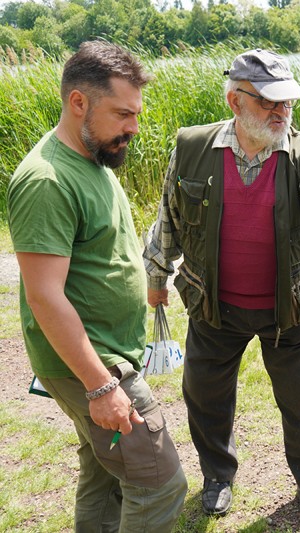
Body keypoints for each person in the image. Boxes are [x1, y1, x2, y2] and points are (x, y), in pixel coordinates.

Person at [142, 48, 300, 529]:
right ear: (235, 101)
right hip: (213, 304)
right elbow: (169, 217)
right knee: (204, 395)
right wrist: (157, 277)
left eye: (287, 102)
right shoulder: (191, 146)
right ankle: (217, 476)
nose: (281, 111)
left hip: (287, 309)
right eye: (269, 102)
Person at [7, 41, 187, 532]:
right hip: (97, 366)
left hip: (107, 356)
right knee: (160, 485)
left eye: (136, 114)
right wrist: (102, 386)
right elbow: (44, 295)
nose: (134, 127)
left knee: (104, 476)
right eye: (122, 114)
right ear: (78, 102)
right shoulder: (47, 180)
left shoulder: (94, 156)